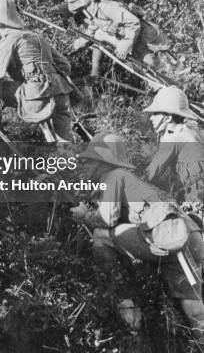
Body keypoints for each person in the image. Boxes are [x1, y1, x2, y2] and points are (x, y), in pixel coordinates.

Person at [70, 132, 204, 338]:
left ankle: (124, 297)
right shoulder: (125, 180)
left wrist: (85, 215)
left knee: (100, 235)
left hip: (172, 235)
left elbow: (108, 218)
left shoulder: (113, 176)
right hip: (179, 234)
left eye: (89, 160)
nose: (85, 165)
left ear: (101, 161)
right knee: (190, 302)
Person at [0, 0, 74, 143]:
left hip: (38, 96)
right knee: (66, 144)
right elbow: (65, 65)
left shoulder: (8, 40)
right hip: (61, 92)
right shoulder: (35, 36)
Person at [68, 0, 170, 75]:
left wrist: (125, 44)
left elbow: (133, 22)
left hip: (145, 41)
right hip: (134, 40)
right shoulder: (92, 11)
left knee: (154, 73)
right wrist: (71, 48)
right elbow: (91, 33)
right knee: (99, 34)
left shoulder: (107, 7)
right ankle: (95, 73)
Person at [145, 86, 204, 204]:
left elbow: (152, 173)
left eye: (155, 113)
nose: (151, 118)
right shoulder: (194, 129)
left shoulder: (172, 136)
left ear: (168, 117)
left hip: (197, 197)